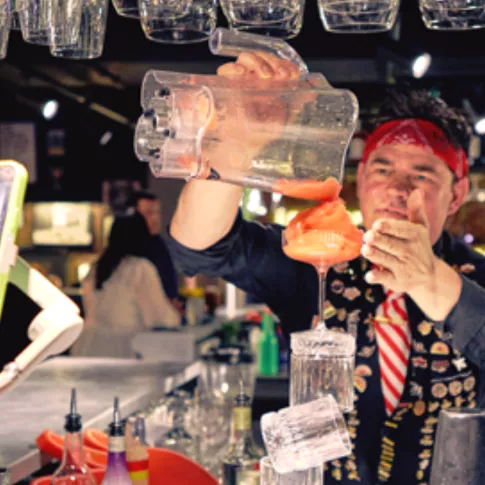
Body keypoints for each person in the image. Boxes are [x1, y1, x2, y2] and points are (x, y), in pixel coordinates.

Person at [165, 52, 485, 485]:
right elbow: (199, 247)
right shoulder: (319, 258)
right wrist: (236, 145)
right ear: (362, 180)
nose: (395, 188)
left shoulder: (475, 281)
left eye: (422, 174)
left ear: (456, 194)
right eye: (382, 169)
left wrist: (429, 278)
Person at [71, 213, 181, 358]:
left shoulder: (97, 267)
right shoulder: (140, 268)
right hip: (125, 348)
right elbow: (159, 316)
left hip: (89, 345)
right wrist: (176, 314)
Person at [128, 191, 181, 306]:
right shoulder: (128, 247)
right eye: (149, 213)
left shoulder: (160, 244)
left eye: (157, 213)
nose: (155, 218)